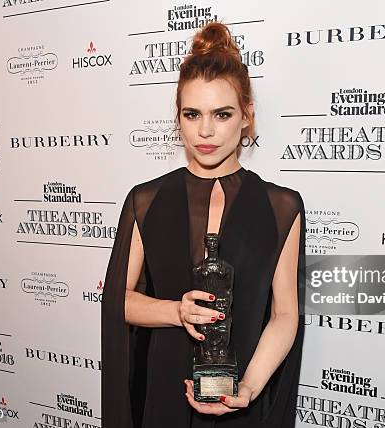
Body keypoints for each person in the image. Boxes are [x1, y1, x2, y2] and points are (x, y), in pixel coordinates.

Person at [101, 22, 306, 428]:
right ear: (178, 118)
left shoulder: (281, 206)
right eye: (192, 114)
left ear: (247, 117)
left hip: (241, 401)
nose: (206, 131)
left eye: (222, 114)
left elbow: (285, 315)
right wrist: (176, 311)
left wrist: (248, 387)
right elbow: (117, 301)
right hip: (162, 396)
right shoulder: (147, 200)